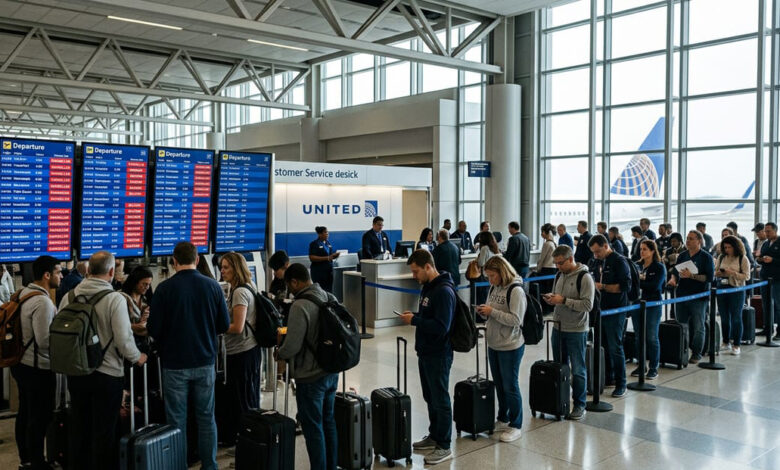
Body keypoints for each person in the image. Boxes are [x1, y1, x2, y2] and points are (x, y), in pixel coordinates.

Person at [60, 251, 146, 470]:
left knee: (79, 428)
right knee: (104, 432)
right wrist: (138, 357)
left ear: (88, 271)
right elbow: (124, 341)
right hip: (107, 376)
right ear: (110, 271)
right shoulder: (114, 299)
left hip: (77, 373)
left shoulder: (68, 297)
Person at [147, 242, 230, 470]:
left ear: (174, 261)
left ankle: (178, 465)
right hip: (205, 361)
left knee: (176, 420)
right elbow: (224, 324)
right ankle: (210, 465)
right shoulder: (212, 286)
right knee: (206, 418)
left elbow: (153, 329)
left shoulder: (164, 289)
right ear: (197, 259)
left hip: (174, 364)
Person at [276, 263, 339, 470]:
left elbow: (292, 346)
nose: (289, 291)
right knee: (328, 421)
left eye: (289, 285)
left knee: (313, 427)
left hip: (310, 377)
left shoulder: (300, 305)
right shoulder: (329, 297)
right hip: (331, 371)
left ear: (295, 282)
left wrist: (279, 353)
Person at [398, 250, 455, 465]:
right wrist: (416, 317)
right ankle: (435, 435)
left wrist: (415, 321)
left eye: (416, 271)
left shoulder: (443, 291)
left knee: (440, 398)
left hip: (439, 354)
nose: (414, 276)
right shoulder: (428, 289)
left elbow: (442, 326)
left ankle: (445, 444)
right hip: (426, 351)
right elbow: (428, 317)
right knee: (430, 396)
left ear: (428, 267)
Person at [12, 256, 61, 470]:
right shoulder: (42, 301)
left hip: (20, 363)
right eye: (59, 272)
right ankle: (38, 462)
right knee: (40, 416)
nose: (61, 276)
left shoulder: (23, 293)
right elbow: (44, 341)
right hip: (37, 368)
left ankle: (26, 458)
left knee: (25, 413)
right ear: (47, 275)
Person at [475, 256, 526, 443]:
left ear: (502, 272)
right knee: (499, 383)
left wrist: (492, 312)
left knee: (510, 385)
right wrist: (485, 311)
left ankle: (516, 423)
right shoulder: (494, 287)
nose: (490, 280)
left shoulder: (516, 290)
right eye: (488, 276)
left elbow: (516, 320)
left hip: (510, 345)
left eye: (492, 276)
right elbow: (493, 309)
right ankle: (503, 417)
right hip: (494, 342)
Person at [543, 245, 594, 421]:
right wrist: (553, 298)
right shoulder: (559, 275)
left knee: (578, 369)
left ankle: (580, 404)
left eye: (561, 263)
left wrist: (564, 300)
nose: (558, 267)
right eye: (555, 263)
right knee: (559, 367)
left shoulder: (584, 277)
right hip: (558, 327)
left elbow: (588, 305)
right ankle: (561, 401)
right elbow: (559, 297)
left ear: (570, 259)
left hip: (576, 330)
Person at [216, 252, 261, 447]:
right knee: (247, 396)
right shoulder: (249, 286)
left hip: (242, 351)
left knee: (243, 399)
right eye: (222, 267)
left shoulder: (239, 292)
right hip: (248, 350)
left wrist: (215, 325)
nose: (222, 271)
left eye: (226, 267)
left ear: (236, 268)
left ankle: (247, 443)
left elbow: (237, 327)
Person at [588, 234, 630, 398]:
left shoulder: (619, 261)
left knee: (615, 347)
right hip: (599, 310)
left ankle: (621, 383)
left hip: (615, 310)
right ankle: (607, 377)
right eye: (593, 252)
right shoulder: (597, 261)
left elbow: (625, 286)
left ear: (606, 246)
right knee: (601, 345)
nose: (595, 255)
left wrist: (603, 286)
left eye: (598, 251)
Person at [667, 231, 714, 364]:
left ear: (699, 241)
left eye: (691, 239)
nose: (688, 241)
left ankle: (697, 352)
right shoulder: (682, 255)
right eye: (687, 239)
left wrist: (692, 276)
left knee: (699, 326)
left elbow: (709, 278)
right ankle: (683, 350)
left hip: (699, 296)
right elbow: (675, 272)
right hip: (682, 295)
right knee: (681, 325)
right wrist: (673, 279)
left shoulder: (706, 257)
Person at [632, 240, 666, 380]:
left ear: (652, 251)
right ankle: (641, 364)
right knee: (639, 336)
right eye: (641, 249)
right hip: (637, 304)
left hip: (652, 305)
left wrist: (639, 281)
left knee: (651, 337)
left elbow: (654, 286)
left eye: (645, 249)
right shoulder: (637, 265)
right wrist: (640, 280)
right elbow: (632, 283)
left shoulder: (658, 267)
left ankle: (653, 367)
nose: (642, 252)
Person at [715, 236, 750, 356]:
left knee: (736, 317)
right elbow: (715, 271)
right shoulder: (721, 257)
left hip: (737, 289)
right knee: (724, 317)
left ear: (736, 247)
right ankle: (725, 341)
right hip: (722, 288)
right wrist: (720, 273)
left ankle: (737, 344)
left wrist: (733, 273)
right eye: (725, 247)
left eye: (730, 247)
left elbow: (746, 276)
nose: (727, 249)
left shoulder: (742, 258)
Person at [759, 222, 780, 337]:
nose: (766, 233)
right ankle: (767, 328)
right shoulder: (766, 244)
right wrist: (759, 259)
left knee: (778, 305)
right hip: (765, 278)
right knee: (766, 304)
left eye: (768, 231)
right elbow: (762, 256)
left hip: (777, 279)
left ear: (775, 231)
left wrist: (773, 260)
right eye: (765, 231)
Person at [120, 266, 153, 340]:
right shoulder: (121, 298)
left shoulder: (144, 299)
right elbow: (117, 324)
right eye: (144, 284)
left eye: (149, 284)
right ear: (135, 282)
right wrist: (134, 326)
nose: (147, 287)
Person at [309, 226, 340, 293]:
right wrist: (327, 258)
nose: (327, 234)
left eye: (327, 232)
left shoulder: (328, 244)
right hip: (319, 272)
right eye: (325, 232)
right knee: (320, 291)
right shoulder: (314, 244)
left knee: (329, 291)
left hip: (328, 271)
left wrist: (334, 256)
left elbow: (330, 256)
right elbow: (312, 257)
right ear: (320, 234)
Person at [476, 231, 501, 305]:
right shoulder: (495, 247)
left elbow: (481, 263)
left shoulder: (484, 248)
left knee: (484, 297)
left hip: (486, 275)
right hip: (495, 274)